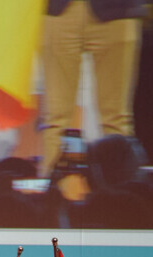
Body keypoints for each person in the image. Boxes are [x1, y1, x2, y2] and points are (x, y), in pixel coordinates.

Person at [40, 0, 144, 176]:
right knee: (57, 119)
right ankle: (54, 197)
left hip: (116, 11)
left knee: (116, 119)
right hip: (60, 11)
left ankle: (122, 196)